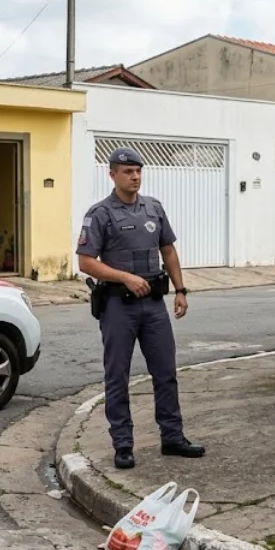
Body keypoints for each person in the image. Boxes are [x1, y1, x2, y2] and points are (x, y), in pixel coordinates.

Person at [76, 146, 205, 470]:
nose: (135, 177)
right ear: (113, 175)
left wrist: (180, 289)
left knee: (165, 372)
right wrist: (125, 277)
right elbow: (86, 262)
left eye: (138, 171)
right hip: (119, 306)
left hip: (154, 306)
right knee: (117, 376)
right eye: (127, 172)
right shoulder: (100, 214)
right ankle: (123, 445)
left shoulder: (153, 208)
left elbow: (169, 250)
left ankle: (172, 437)